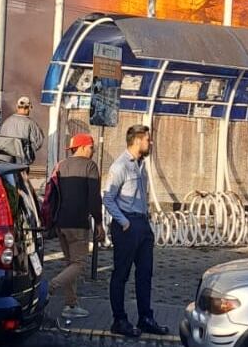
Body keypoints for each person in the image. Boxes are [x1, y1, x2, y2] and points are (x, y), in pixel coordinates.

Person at [103, 124, 167, 338]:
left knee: (145, 273)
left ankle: (145, 318)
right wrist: (123, 221)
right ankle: (119, 320)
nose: (151, 143)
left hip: (142, 224)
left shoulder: (141, 165)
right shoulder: (120, 166)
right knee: (121, 274)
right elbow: (108, 198)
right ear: (138, 140)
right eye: (148, 139)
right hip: (127, 225)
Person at [49, 133, 105, 319]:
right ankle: (51, 286)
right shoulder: (90, 166)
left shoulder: (61, 165)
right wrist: (99, 223)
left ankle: (71, 305)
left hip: (60, 223)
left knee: (70, 264)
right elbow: (94, 198)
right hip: (78, 223)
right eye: (91, 147)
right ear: (81, 148)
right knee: (79, 264)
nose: (93, 150)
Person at [0, 95, 44, 163]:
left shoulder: (6, 121)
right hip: (22, 162)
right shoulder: (30, 123)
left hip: (6, 161)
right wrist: (28, 151)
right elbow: (38, 142)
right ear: (29, 108)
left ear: (17, 107)